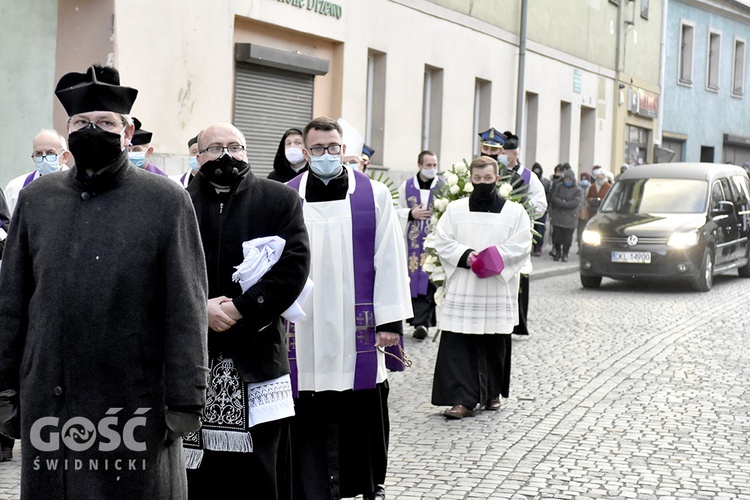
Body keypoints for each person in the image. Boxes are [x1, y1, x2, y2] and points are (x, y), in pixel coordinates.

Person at [0, 63, 209, 499]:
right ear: (68, 131)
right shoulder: (37, 200)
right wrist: (4, 385)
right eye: (81, 123)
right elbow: (11, 300)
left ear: (127, 131)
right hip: (50, 396)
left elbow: (186, 303)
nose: (92, 130)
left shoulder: (166, 201)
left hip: (134, 399)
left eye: (106, 123)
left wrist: (186, 397)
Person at [285, 116, 412, 500]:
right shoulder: (286, 194)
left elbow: (389, 257)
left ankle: (364, 480)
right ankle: (308, 483)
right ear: (306, 152)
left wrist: (388, 322)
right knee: (305, 402)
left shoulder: (373, 195)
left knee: (361, 400)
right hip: (302, 324)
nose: (327, 155)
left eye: (333, 148)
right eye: (318, 149)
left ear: (344, 150)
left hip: (357, 322)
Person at [185, 122, 310, 500]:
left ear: (246, 151)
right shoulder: (177, 202)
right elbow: (158, 269)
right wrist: (197, 308)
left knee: (258, 467)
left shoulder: (279, 201)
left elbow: (295, 266)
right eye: (215, 148)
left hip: (257, 351)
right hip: (194, 350)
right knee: (196, 468)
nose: (226, 155)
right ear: (198, 156)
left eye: (234, 146)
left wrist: (241, 308)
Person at [431, 156, 532, 419]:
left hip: (496, 285)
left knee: (493, 340)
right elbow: (442, 240)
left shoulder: (514, 212)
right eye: (477, 179)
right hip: (464, 284)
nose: (483, 184)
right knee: (459, 343)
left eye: (488, 179)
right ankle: (461, 399)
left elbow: (522, 244)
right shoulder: (455, 209)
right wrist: (467, 256)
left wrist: (491, 259)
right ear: (470, 180)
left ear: (497, 179)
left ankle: (491, 393)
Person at [496, 131, 547, 337]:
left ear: (514, 153)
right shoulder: (493, 172)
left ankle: (519, 323)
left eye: (503, 151)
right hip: (498, 232)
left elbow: (541, 203)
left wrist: (521, 208)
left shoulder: (528, 176)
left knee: (519, 274)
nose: (500, 155)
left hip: (519, 231)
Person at [397, 150, 443, 339]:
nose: (432, 169)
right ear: (419, 165)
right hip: (412, 243)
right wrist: (410, 213)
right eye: (429, 165)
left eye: (435, 165)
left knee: (430, 280)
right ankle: (418, 322)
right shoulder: (406, 186)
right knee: (413, 278)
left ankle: (422, 322)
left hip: (434, 243)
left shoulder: (443, 187)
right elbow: (397, 210)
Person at [4, 129, 71, 215]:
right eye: (39, 153)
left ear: (64, 156)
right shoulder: (15, 188)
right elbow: (6, 225)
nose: (44, 158)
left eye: (50, 153)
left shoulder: (79, 187)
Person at [549, 169, 583, 262]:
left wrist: (563, 204)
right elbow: (554, 198)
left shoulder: (578, 190)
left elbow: (574, 203)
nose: (567, 182)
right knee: (556, 237)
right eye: (566, 179)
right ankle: (558, 253)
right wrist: (563, 203)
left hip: (570, 218)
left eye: (569, 180)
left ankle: (565, 254)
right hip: (558, 216)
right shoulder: (559, 186)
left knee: (567, 238)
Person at [530, 162, 549, 257]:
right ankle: (533, 247)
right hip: (531, 208)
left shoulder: (545, 182)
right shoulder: (530, 180)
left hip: (542, 209)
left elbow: (549, 195)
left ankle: (538, 247)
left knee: (540, 229)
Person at [577, 171, 593, 253]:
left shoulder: (591, 188)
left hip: (588, 212)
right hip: (578, 212)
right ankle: (580, 247)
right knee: (579, 231)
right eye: (582, 179)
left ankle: (585, 248)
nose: (583, 180)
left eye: (585, 179)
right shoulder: (578, 187)